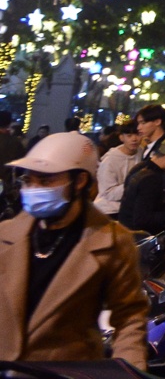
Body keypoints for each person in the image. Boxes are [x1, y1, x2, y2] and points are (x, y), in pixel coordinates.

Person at [0, 132, 146, 364]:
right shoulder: (5, 234)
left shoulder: (114, 242)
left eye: (46, 181)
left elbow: (129, 317)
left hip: (65, 370)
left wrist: (129, 368)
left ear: (79, 181)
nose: (34, 188)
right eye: (29, 181)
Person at [95, 121, 142, 217]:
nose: (134, 139)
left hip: (130, 208)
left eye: (137, 134)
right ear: (121, 137)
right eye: (129, 135)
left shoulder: (141, 152)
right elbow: (107, 193)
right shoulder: (110, 160)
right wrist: (134, 184)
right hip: (109, 209)